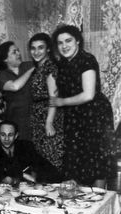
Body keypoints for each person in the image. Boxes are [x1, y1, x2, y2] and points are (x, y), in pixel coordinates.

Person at [50, 25, 115, 187]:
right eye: (60, 43)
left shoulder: (87, 60)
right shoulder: (63, 64)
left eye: (68, 40)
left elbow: (88, 94)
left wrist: (61, 102)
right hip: (75, 117)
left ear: (78, 40)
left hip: (95, 116)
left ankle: (100, 205)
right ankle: (81, 206)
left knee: (97, 161)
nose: (64, 46)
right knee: (76, 162)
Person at [27, 33, 64, 170]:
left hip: (49, 116)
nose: (36, 52)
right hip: (38, 118)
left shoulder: (50, 67)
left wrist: (49, 123)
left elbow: (53, 97)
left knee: (52, 159)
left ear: (48, 49)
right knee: (42, 159)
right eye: (33, 48)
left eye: (40, 48)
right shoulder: (39, 67)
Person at [0, 121, 59, 185]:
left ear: (16, 135)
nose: (6, 139)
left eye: (10, 135)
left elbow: (45, 166)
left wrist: (36, 178)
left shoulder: (25, 146)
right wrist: (23, 175)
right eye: (3, 135)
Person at [0, 41, 35, 140]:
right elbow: (14, 87)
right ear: (5, 59)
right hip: (17, 121)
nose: (18, 54)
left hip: (36, 117)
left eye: (18, 51)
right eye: (14, 52)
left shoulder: (28, 65)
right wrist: (30, 71)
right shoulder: (1, 75)